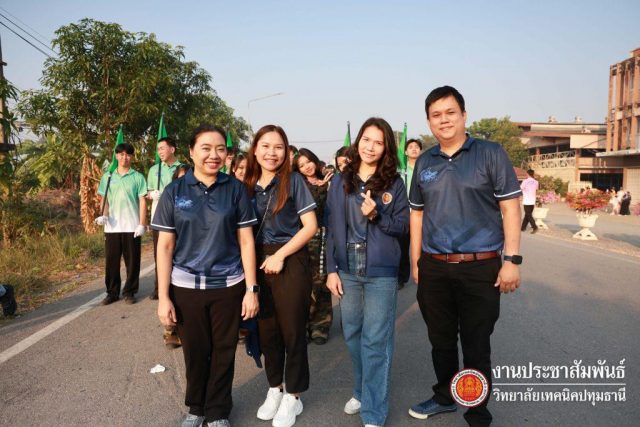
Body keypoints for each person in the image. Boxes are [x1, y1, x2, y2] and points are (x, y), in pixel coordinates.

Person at [408, 86, 522, 426]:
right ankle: (444, 396)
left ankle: (477, 412)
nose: (444, 120)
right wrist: (416, 262)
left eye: (450, 112)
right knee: (440, 340)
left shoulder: (490, 153)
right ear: (429, 121)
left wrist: (511, 261)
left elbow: (510, 207)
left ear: (464, 115)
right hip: (434, 267)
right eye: (436, 115)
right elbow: (417, 214)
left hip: (480, 266)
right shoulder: (425, 161)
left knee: (476, 344)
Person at [154, 124, 259, 427]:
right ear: (191, 152)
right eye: (206, 148)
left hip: (228, 286)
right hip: (186, 287)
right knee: (195, 351)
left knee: (224, 351)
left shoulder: (235, 190)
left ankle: (217, 411)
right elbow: (165, 246)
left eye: (220, 149)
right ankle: (196, 407)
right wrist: (164, 297)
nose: (214, 155)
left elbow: (246, 241)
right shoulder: (174, 192)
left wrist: (251, 289)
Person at [325, 117, 409, 427]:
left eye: (378, 142)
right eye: (366, 139)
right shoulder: (340, 181)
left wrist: (377, 215)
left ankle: (373, 411)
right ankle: (361, 391)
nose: (370, 147)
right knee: (352, 336)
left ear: (386, 148)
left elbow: (403, 227)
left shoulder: (394, 183)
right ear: (358, 141)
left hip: (381, 273)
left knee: (376, 341)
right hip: (347, 269)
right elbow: (331, 227)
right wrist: (330, 269)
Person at [244, 125, 317, 427]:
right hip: (257, 261)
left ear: (286, 152)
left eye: (278, 147)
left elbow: (310, 226)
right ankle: (275, 388)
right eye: (265, 146)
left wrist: (280, 255)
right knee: (267, 331)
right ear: (255, 149)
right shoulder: (246, 184)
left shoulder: (294, 181)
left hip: (290, 259)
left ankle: (294, 396)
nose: (271, 153)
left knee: (292, 331)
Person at [95, 143, 147, 305]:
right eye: (122, 154)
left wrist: (142, 224)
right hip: (112, 227)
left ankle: (129, 292)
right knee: (111, 261)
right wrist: (103, 215)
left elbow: (142, 201)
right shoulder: (108, 177)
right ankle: (112, 292)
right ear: (116, 156)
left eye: (128, 154)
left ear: (132, 157)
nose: (125, 157)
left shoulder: (138, 177)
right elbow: (104, 199)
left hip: (132, 226)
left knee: (132, 261)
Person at [295, 148, 334, 345]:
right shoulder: (298, 185)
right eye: (301, 165)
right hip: (304, 240)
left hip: (326, 238)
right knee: (304, 284)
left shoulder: (330, 181)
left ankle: (321, 326)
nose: (307, 167)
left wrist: (328, 187)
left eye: (308, 161)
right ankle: (303, 325)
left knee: (324, 282)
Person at [147, 137, 183, 301]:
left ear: (172, 149)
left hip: (179, 217)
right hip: (160, 217)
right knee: (160, 253)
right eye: (158, 149)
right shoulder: (154, 170)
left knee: (179, 252)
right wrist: (152, 194)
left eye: (162, 148)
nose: (159, 152)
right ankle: (159, 288)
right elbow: (147, 192)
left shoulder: (183, 169)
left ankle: (177, 286)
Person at [397, 138, 423, 289]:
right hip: (405, 211)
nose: (414, 149)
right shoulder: (401, 170)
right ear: (405, 152)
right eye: (410, 147)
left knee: (424, 245)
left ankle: (425, 273)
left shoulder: (425, 167)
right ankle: (402, 277)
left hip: (422, 211)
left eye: (417, 147)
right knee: (403, 246)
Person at [520, 169, 539, 233]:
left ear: (527, 174)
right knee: (527, 215)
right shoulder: (536, 182)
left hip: (527, 201)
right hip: (532, 201)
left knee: (528, 215)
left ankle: (535, 227)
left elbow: (520, 189)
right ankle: (523, 228)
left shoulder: (525, 181)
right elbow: (536, 190)